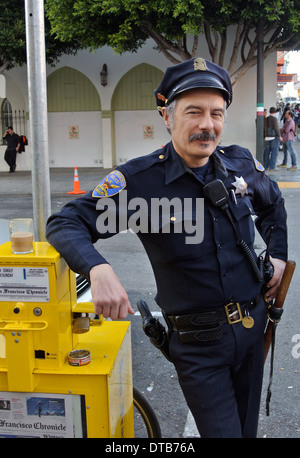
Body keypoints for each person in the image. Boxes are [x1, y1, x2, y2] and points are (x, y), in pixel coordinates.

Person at [46, 58, 287, 438]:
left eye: (216, 113)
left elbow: (273, 204)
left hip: (253, 329)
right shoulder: (140, 181)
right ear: (167, 116)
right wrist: (97, 267)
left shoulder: (241, 164)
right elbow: (64, 222)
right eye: (194, 112)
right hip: (198, 346)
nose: (207, 124)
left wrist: (277, 252)